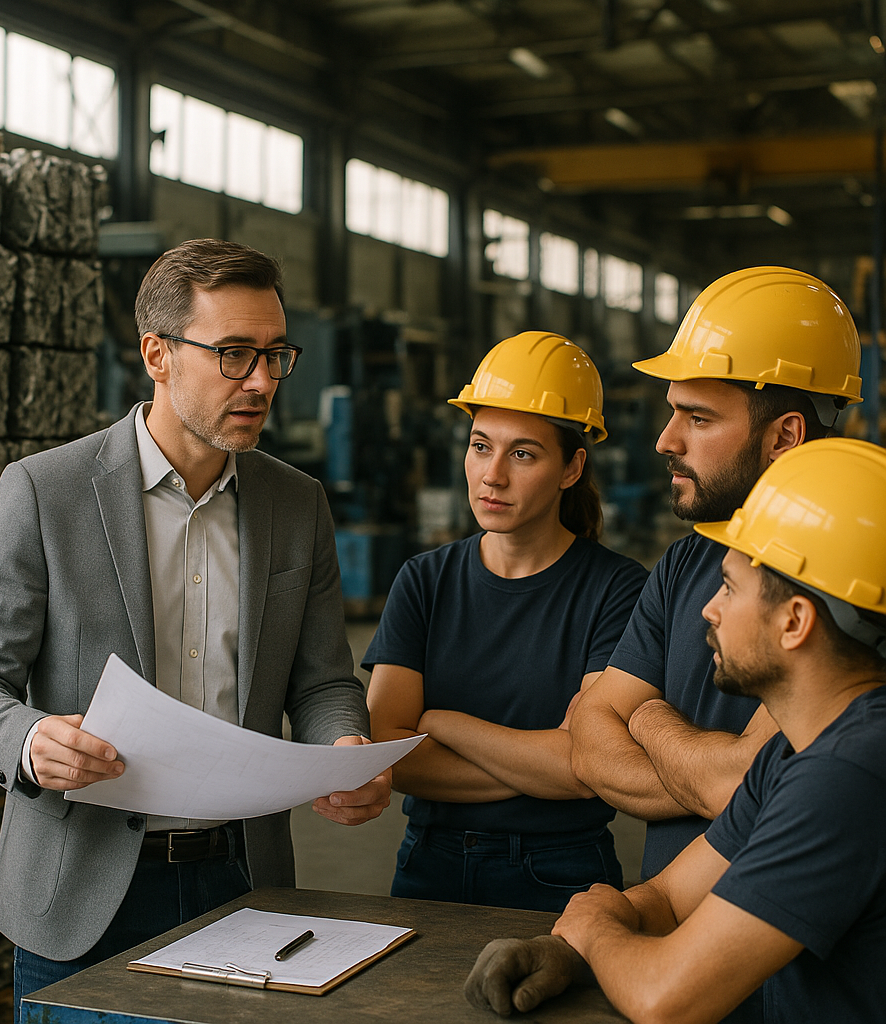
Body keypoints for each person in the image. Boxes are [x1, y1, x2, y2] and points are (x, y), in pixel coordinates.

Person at [0, 238, 391, 1012]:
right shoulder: (47, 493)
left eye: (275, 356)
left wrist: (341, 746)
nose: (260, 383)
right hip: (82, 893)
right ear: (157, 353)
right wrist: (28, 741)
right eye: (234, 355)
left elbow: (320, 679)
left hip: (243, 883)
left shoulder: (294, 504)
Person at [465, 437, 886, 1024]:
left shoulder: (849, 775)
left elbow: (667, 999)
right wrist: (570, 949)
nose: (709, 610)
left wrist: (592, 930)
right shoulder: (795, 754)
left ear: (795, 622)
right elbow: (668, 897)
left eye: (731, 588)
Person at [568, 266, 863, 879]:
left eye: (698, 419)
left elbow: (735, 782)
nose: (665, 440)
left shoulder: (853, 580)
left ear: (785, 435)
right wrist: (712, 775)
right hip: (667, 925)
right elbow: (588, 738)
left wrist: (647, 719)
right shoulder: (685, 562)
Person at [364, 332, 648, 911]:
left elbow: (591, 763)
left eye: (523, 453)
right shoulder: (425, 580)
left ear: (572, 468)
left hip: (564, 872)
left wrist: (441, 722)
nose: (491, 475)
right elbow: (386, 746)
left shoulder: (618, 589)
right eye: (479, 446)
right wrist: (549, 763)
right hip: (429, 863)